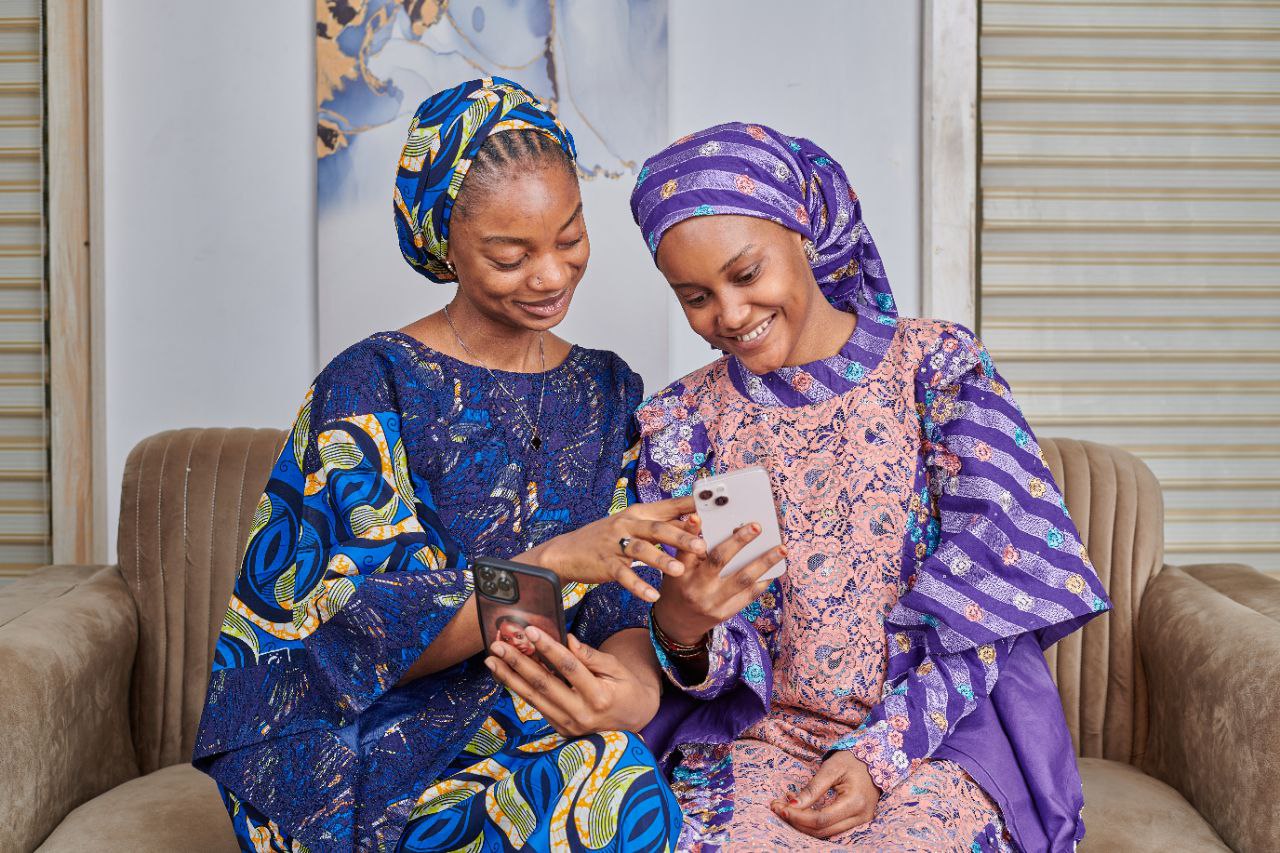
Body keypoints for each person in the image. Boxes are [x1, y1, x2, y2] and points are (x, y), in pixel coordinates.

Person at [193, 78, 700, 853]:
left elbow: (622, 596)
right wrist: (550, 565)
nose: (551, 274)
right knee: (608, 788)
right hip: (370, 759)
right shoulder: (373, 385)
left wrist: (631, 690)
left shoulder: (607, 390)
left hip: (539, 733)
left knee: (648, 781)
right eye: (510, 254)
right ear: (445, 244)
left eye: (569, 238)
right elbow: (365, 640)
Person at [629, 123, 1111, 851]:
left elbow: (990, 605)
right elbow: (713, 665)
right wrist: (686, 627)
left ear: (806, 232)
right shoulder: (682, 423)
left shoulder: (938, 369)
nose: (728, 313)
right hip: (759, 738)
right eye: (695, 296)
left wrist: (877, 756)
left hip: (938, 738)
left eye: (747, 274)